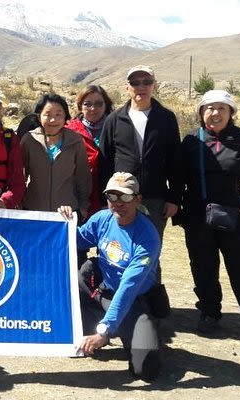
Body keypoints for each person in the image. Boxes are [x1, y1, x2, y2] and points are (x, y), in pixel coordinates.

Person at [173, 90, 240, 344]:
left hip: (235, 215)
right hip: (197, 216)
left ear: (231, 113)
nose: (215, 113)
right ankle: (209, 313)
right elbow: (179, 177)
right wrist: (178, 209)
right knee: (203, 268)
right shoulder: (191, 140)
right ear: (200, 112)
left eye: (222, 108)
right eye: (209, 108)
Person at [59, 172, 162, 381]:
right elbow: (75, 240)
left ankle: (116, 330)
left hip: (134, 300)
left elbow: (129, 287)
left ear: (137, 199)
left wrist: (104, 331)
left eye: (125, 197)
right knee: (84, 273)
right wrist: (65, 221)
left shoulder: (147, 237)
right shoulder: (102, 218)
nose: (118, 203)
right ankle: (95, 327)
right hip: (103, 291)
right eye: (112, 197)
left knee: (146, 370)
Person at [99, 65, 180, 281]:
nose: (141, 86)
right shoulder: (114, 120)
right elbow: (105, 163)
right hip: (120, 198)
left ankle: (152, 298)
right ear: (127, 87)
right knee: (120, 247)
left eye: (146, 82)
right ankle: (117, 294)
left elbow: (175, 161)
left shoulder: (166, 118)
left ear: (154, 85)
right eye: (135, 82)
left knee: (150, 251)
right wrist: (105, 198)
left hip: (154, 197)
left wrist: (173, 198)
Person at [21, 93, 91, 218]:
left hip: (67, 213)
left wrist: (83, 207)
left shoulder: (75, 141)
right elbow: (20, 176)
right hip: (33, 211)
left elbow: (83, 177)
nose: (53, 120)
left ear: (65, 116)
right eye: (47, 114)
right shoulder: (29, 140)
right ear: (39, 116)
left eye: (58, 114)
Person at [65, 85, 114, 217]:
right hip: (77, 200)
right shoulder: (69, 131)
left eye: (99, 104)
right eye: (88, 104)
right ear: (80, 106)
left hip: (111, 199)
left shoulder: (116, 128)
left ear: (106, 105)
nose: (93, 109)